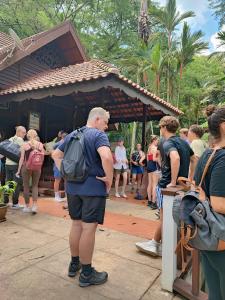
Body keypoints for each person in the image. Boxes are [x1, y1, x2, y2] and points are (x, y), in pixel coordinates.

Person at [52, 107, 113, 287]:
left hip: (73, 189)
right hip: (93, 189)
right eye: (106, 122)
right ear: (96, 119)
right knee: (88, 228)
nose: (106, 127)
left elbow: (56, 154)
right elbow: (107, 157)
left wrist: (67, 173)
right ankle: (86, 273)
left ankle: (74, 264)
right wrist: (109, 178)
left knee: (76, 224)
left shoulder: (72, 135)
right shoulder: (97, 135)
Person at [136, 116, 196, 256]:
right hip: (182, 187)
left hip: (167, 186)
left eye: (160, 127)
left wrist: (173, 181)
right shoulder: (183, 141)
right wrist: (189, 179)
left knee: (165, 218)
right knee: (172, 218)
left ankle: (156, 244)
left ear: (163, 127)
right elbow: (194, 159)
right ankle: (159, 243)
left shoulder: (167, 143)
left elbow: (175, 158)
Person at [194, 105, 225, 300]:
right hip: (220, 236)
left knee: (215, 292)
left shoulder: (208, 153)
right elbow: (219, 204)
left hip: (207, 237)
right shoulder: (223, 157)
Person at [16, 129, 45, 214]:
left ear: (27, 136)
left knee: (26, 186)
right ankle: (35, 206)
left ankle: (27, 206)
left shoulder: (24, 145)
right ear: (36, 136)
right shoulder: (40, 145)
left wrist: (18, 170)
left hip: (26, 167)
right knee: (35, 186)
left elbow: (22, 159)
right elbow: (42, 157)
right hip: (37, 167)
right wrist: (39, 166)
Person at [5, 126, 26, 208]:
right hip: (16, 165)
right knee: (16, 183)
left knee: (8, 183)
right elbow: (23, 152)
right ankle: (15, 203)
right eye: (23, 133)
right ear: (19, 132)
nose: (24, 134)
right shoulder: (20, 140)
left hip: (7, 164)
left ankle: (6, 201)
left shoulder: (10, 139)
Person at [52, 132, 68, 202]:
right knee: (59, 179)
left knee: (64, 179)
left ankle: (62, 196)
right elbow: (52, 149)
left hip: (63, 163)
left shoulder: (60, 143)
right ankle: (57, 196)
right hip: (59, 163)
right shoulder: (59, 143)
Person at [146, 136, 160, 209]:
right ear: (154, 140)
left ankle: (149, 201)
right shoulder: (154, 148)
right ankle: (154, 202)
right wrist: (159, 159)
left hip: (149, 165)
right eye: (157, 140)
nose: (158, 142)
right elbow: (154, 159)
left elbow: (148, 158)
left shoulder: (149, 147)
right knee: (155, 184)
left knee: (150, 183)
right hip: (154, 165)